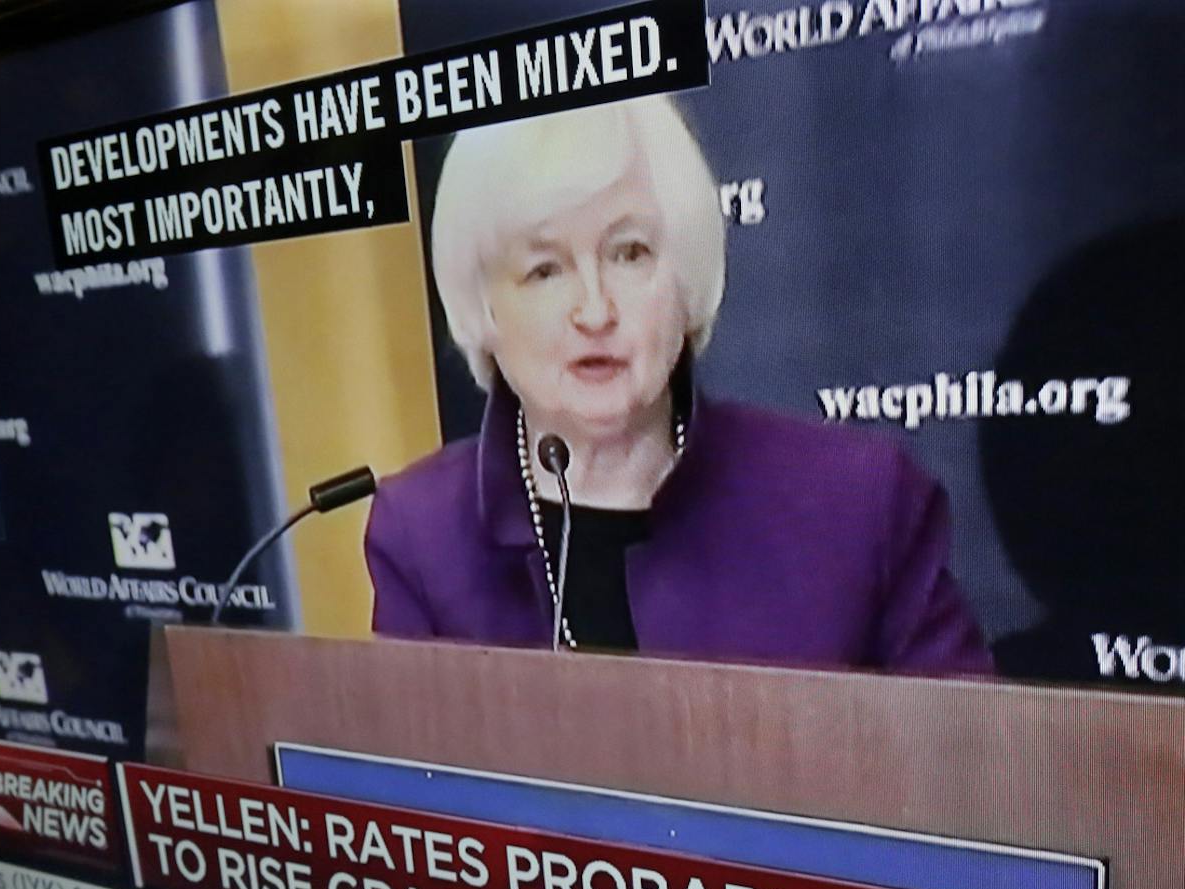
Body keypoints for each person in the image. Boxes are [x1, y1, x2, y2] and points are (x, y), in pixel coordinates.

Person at [365, 97, 992, 674]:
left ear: (686, 274)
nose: (594, 311)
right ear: (483, 308)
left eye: (629, 253)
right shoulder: (422, 537)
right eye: (545, 270)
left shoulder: (858, 505)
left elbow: (966, 771)